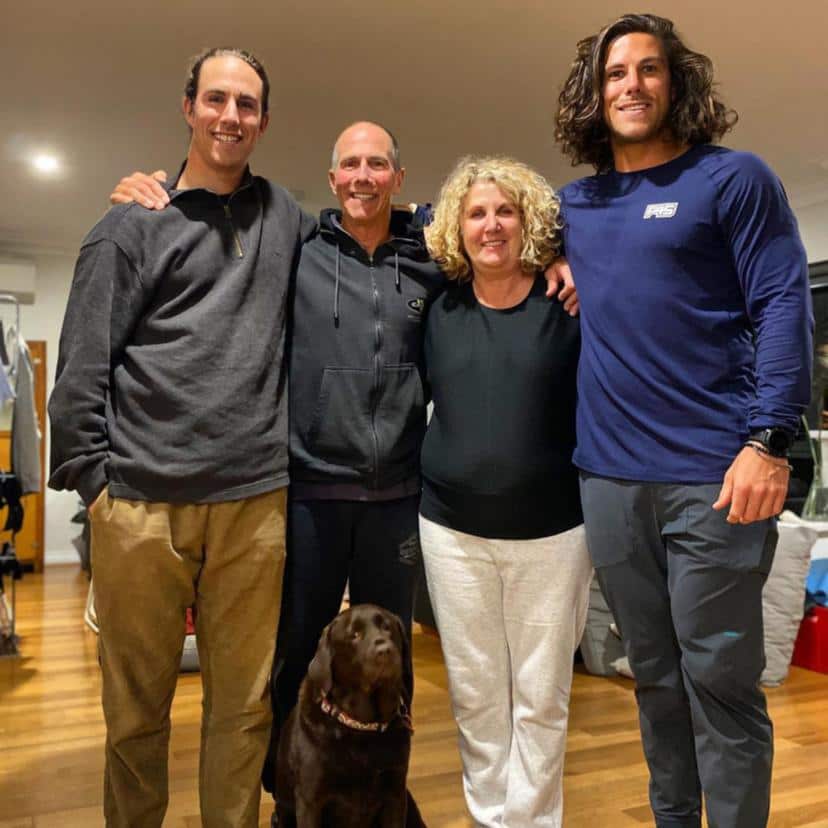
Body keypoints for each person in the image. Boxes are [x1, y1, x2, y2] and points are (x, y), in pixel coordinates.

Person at [553, 14, 813, 828]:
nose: (631, 85)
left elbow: (781, 303)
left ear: (677, 81)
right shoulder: (576, 204)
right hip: (608, 479)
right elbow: (465, 232)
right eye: (614, 74)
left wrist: (770, 440)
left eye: (648, 69)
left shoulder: (733, 181)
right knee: (653, 679)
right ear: (594, 96)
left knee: (719, 683)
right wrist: (553, 258)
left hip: (715, 475)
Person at [49, 47, 313, 827]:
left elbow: (375, 231)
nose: (232, 116)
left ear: (264, 121)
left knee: (244, 711)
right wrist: (96, 486)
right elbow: (79, 369)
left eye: (248, 105)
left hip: (254, 507)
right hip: (140, 507)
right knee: (136, 716)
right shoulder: (130, 226)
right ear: (189, 107)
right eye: (218, 100)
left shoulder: (285, 218)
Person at [419, 155, 592, 828]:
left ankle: (532, 822)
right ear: (457, 228)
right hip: (453, 534)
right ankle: (490, 818)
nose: (491, 225)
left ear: (529, 222)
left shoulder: (571, 304)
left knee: (541, 697)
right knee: (477, 694)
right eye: (476, 212)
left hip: (553, 534)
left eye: (505, 210)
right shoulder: (436, 308)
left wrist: (572, 261)